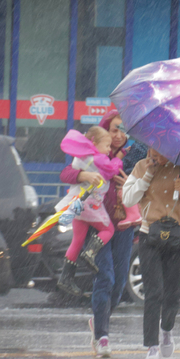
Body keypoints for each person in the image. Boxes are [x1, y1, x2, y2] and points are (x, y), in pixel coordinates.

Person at [59, 110, 137, 357]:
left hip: (124, 226)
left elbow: (144, 187)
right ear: (105, 131)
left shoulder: (132, 157)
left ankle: (99, 320)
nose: (119, 134)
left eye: (122, 129)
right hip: (97, 226)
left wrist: (131, 186)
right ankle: (102, 335)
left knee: (119, 282)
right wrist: (84, 175)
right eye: (114, 129)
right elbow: (66, 174)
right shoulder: (91, 155)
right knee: (106, 278)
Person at [122, 148, 180, 359]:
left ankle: (167, 329)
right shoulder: (142, 166)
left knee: (173, 292)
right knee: (154, 292)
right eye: (152, 148)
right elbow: (128, 198)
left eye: (161, 150)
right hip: (149, 236)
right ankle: (152, 347)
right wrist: (148, 175)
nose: (156, 154)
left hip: (176, 236)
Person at [56, 126, 124, 297]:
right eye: (107, 145)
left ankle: (66, 276)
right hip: (91, 204)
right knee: (108, 230)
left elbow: (68, 173)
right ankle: (90, 253)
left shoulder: (80, 157)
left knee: (77, 240)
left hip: (77, 205)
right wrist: (118, 159)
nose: (109, 150)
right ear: (94, 142)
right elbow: (111, 170)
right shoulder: (97, 157)